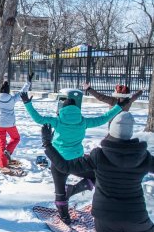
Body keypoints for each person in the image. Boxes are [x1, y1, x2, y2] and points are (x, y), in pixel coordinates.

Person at [41, 113, 154, 232]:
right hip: (135, 217)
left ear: (111, 131)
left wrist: (48, 145)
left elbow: (65, 166)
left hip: (105, 216)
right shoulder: (143, 156)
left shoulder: (99, 155)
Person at [21, 92, 124, 224]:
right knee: (96, 176)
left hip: (58, 160)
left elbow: (38, 119)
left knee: (60, 192)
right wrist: (119, 106)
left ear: (62, 110)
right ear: (77, 109)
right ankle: (73, 190)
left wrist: (27, 103)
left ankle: (65, 217)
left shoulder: (57, 121)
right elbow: (104, 118)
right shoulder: (83, 122)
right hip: (77, 161)